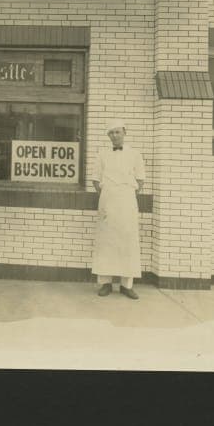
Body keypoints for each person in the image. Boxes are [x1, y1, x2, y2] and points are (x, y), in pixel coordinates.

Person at [90, 119, 146, 299]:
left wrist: (125, 195)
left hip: (127, 200)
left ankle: (126, 285)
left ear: (124, 132)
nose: (114, 136)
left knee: (127, 242)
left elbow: (140, 179)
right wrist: (108, 195)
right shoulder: (102, 155)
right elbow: (96, 180)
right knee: (106, 242)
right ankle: (105, 283)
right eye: (111, 133)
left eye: (117, 132)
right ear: (108, 136)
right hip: (108, 200)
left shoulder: (135, 154)